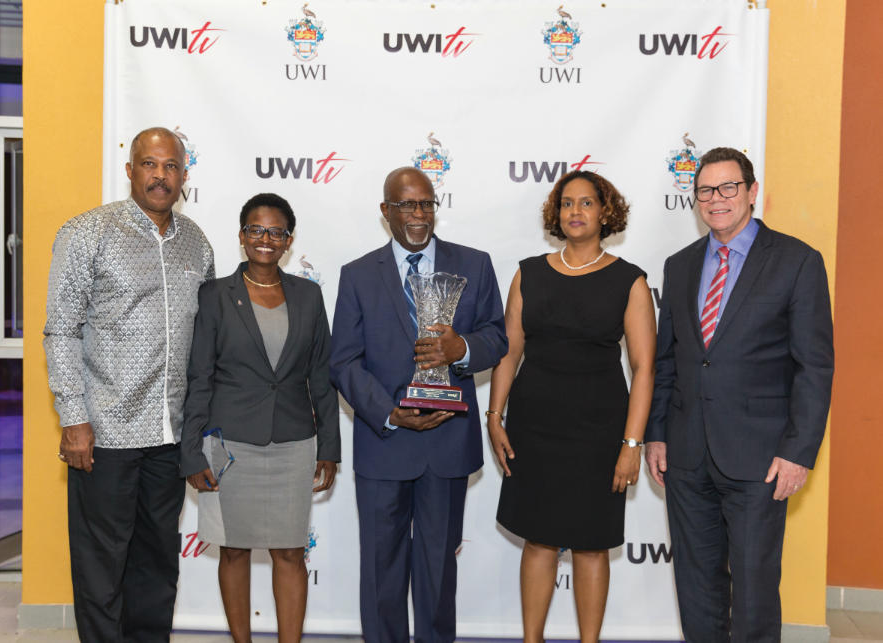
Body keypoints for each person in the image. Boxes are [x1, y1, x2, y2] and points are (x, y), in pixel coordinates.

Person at [644, 147, 834, 642]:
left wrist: (798, 452)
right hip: (686, 454)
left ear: (751, 192)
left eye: (729, 187)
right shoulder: (680, 265)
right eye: (706, 190)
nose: (717, 199)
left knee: (753, 592)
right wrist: (657, 434)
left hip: (761, 458)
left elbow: (814, 367)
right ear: (696, 199)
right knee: (696, 585)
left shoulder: (797, 261)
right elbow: (668, 359)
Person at [43, 126, 214, 642]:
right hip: (105, 432)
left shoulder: (196, 243)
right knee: (101, 566)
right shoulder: (87, 232)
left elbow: (206, 342)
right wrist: (74, 419)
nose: (160, 176)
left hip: (169, 434)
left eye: (170, 167)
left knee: (158, 561)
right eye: (149, 164)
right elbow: (61, 328)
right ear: (130, 169)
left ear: (184, 175)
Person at [329, 167, 508, 643]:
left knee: (437, 572)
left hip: (447, 445)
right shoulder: (358, 275)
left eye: (426, 204)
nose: (418, 214)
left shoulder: (474, 264)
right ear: (385, 210)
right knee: (381, 573)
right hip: (384, 442)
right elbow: (344, 361)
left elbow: (497, 337)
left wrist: (461, 349)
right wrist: (388, 412)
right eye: (406, 204)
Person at [487, 170, 656, 643]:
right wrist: (494, 415)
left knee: (591, 543)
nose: (575, 212)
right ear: (555, 213)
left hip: (599, 433)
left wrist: (631, 443)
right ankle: (531, 639)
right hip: (534, 426)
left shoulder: (630, 281)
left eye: (586, 203)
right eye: (566, 204)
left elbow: (644, 368)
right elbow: (509, 349)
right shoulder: (529, 272)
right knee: (538, 538)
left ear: (605, 211)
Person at [180, 193, 340, 643]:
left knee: (290, 552)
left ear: (288, 240)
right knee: (233, 552)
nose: (265, 239)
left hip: (292, 443)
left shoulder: (308, 296)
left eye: (275, 232)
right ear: (241, 236)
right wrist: (191, 451)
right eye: (256, 229)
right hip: (229, 446)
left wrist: (329, 446)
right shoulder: (214, 296)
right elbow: (200, 377)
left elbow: (321, 378)